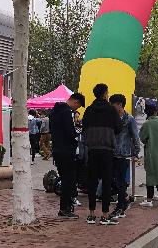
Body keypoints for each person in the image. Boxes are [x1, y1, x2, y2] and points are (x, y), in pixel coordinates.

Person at [82, 84, 121, 224]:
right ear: (105, 94)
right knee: (106, 181)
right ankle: (105, 214)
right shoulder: (111, 110)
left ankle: (91, 213)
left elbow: (84, 127)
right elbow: (118, 128)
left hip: (92, 149)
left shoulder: (89, 110)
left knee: (92, 181)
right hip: (107, 149)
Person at [50, 92, 87, 218]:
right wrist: (78, 132)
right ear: (75, 102)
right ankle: (65, 209)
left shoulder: (54, 111)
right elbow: (71, 133)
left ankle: (65, 207)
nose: (76, 109)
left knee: (64, 178)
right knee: (68, 180)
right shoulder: (67, 112)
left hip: (57, 149)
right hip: (66, 151)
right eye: (78, 106)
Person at [110, 93, 140, 218]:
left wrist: (136, 152)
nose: (111, 107)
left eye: (113, 104)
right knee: (116, 181)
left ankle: (120, 206)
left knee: (121, 181)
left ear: (120, 105)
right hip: (112, 152)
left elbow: (135, 136)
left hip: (123, 154)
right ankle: (123, 202)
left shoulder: (129, 119)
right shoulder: (111, 118)